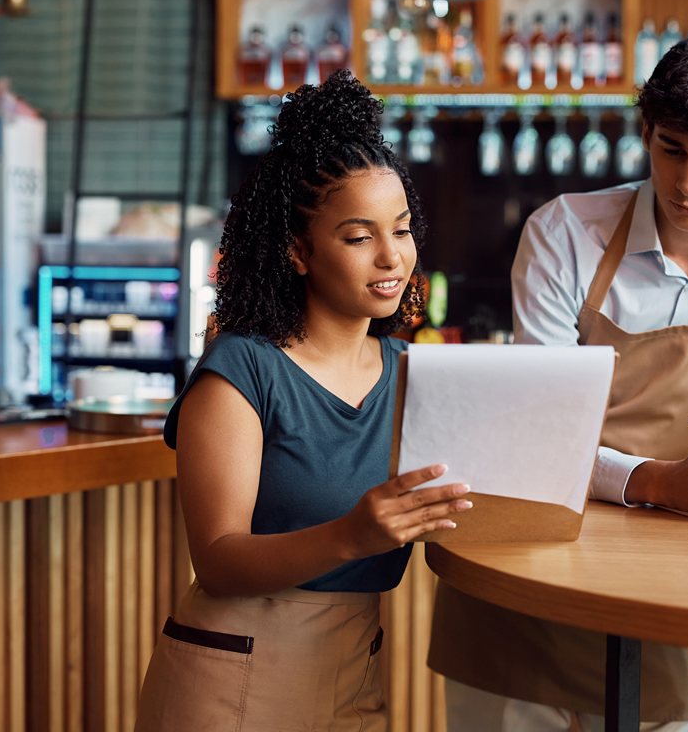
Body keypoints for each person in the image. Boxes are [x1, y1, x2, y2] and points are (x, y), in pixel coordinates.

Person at [429, 36, 688, 732]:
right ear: (645, 136)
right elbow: (534, 433)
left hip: (653, 562)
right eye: (671, 149)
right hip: (525, 548)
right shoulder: (564, 232)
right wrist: (657, 482)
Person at [135, 71, 472, 732]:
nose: (390, 257)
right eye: (358, 237)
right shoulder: (242, 371)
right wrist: (353, 534)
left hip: (355, 668)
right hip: (235, 678)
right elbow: (219, 559)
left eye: (401, 231)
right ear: (296, 252)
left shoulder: (414, 374)